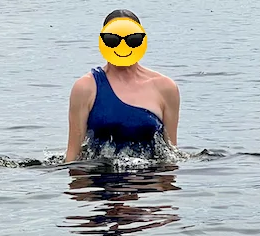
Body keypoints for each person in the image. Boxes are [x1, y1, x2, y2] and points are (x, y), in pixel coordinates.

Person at [65, 9, 180, 162]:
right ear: (103, 42)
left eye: (132, 39)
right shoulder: (86, 87)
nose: (123, 45)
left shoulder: (166, 88)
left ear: (142, 41)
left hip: (151, 181)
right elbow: (73, 155)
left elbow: (171, 155)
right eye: (113, 39)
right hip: (101, 181)